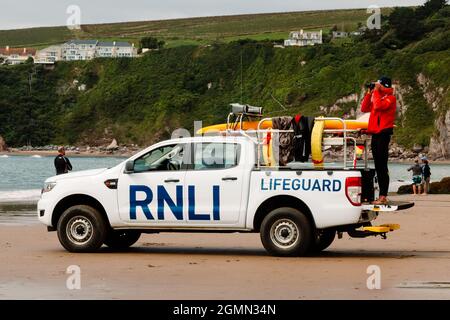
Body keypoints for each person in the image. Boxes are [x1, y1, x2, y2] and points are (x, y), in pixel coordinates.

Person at [361, 76, 397, 205]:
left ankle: (383, 196)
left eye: (378, 84)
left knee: (382, 166)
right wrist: (369, 93)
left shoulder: (390, 98)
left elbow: (378, 106)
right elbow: (364, 108)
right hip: (375, 134)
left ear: (384, 86)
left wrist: (376, 92)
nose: (376, 86)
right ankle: (381, 195)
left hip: (383, 134)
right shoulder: (377, 96)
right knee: (377, 165)